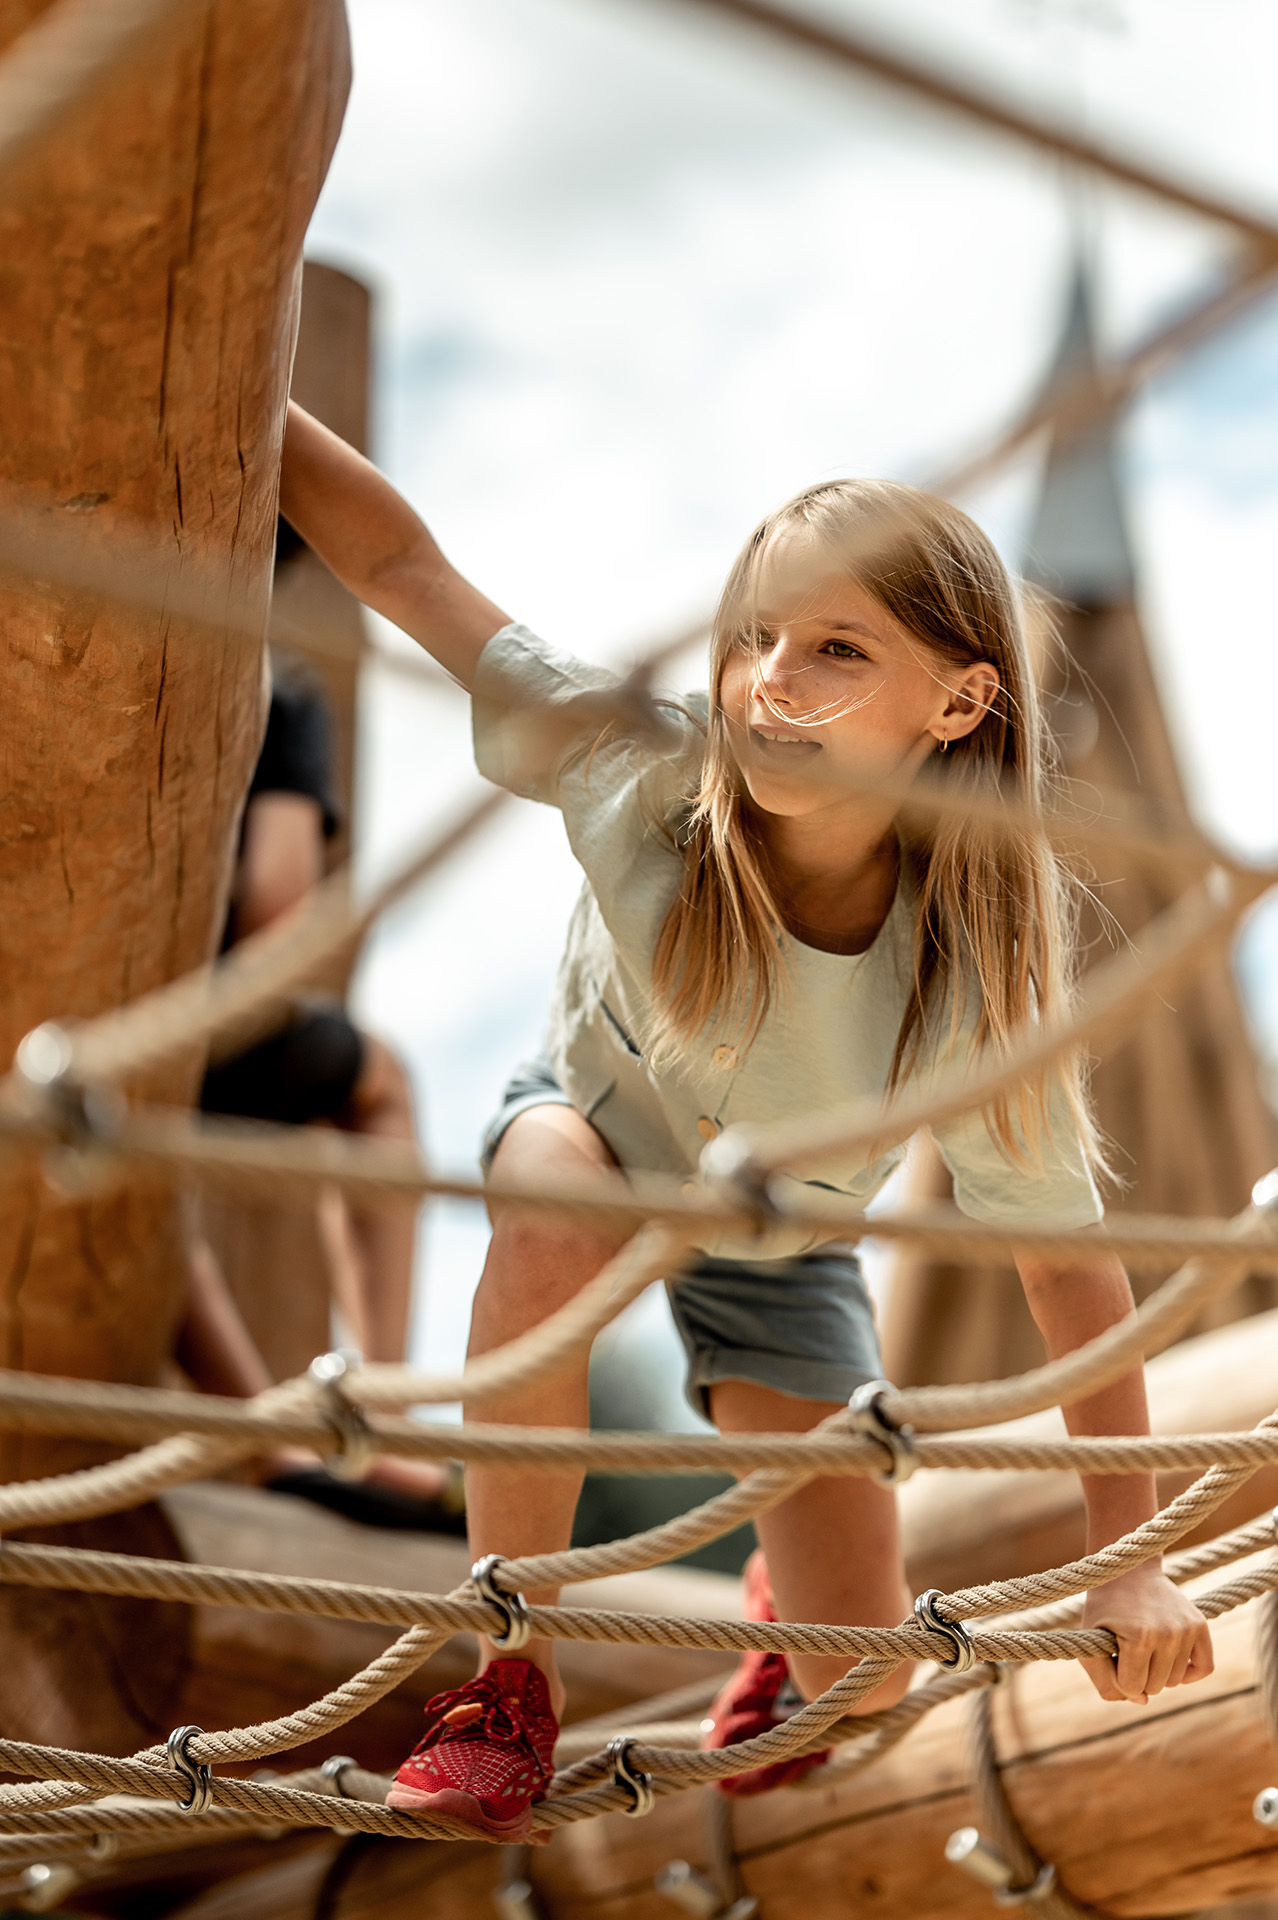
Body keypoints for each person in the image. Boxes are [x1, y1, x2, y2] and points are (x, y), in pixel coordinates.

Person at [278, 403, 1213, 1842]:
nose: (770, 682)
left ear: (957, 704)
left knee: (854, 1694)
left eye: (837, 650)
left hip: (784, 1242)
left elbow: (1067, 1274)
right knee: (546, 1201)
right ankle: (501, 1680)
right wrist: (257, 413)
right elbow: (409, 569)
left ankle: (791, 1626)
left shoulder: (968, 978)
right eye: (754, 637)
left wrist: (1123, 1558)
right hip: (591, 1139)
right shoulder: (645, 777)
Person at [180, 628, 460, 1529]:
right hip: (182, 1007)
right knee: (377, 1086)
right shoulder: (268, 688)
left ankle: (272, 1439)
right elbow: (277, 897)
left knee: (125, 1160)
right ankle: (367, 1415)